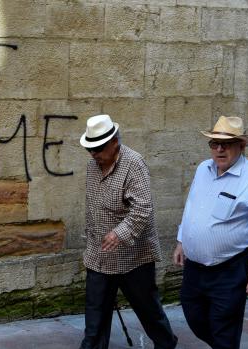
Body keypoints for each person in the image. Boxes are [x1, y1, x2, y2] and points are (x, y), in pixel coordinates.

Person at [173, 115, 248, 349]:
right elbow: (192, 206)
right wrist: (181, 241)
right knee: (193, 315)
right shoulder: (202, 169)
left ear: (241, 145)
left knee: (224, 325)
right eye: (214, 143)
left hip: (230, 269)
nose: (219, 149)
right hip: (195, 267)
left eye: (225, 144)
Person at [79, 114, 177, 349]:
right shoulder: (92, 167)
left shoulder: (134, 164)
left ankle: (166, 344)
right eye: (89, 149)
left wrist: (119, 233)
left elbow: (143, 208)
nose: (94, 154)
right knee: (94, 321)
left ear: (115, 142)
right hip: (99, 257)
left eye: (99, 148)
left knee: (149, 312)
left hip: (133, 258)